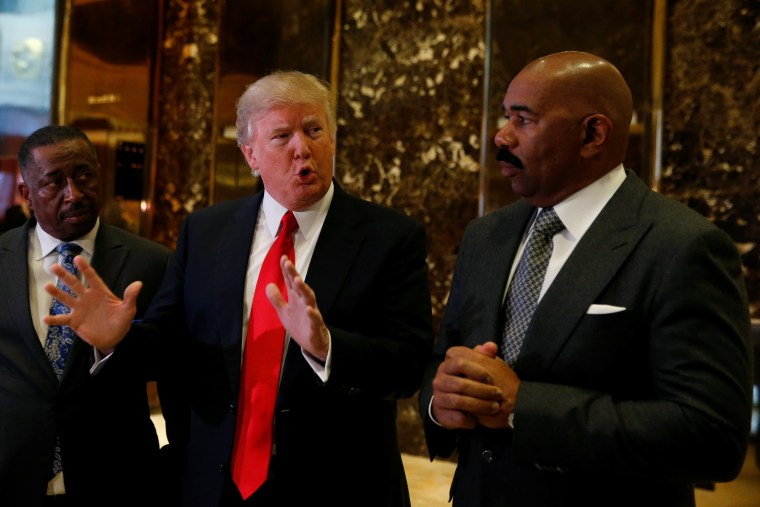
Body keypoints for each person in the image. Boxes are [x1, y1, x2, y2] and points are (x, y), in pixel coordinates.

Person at [45, 71, 434, 507]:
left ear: (333, 140)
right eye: (282, 136)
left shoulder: (390, 237)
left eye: (314, 130)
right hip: (216, 483)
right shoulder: (206, 231)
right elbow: (171, 343)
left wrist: (328, 347)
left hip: (338, 484)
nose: (302, 148)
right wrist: (121, 339)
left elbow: (409, 362)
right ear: (250, 154)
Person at [419, 51, 753, 507]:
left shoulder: (682, 246)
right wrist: (442, 405)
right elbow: (443, 362)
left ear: (593, 134)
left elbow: (712, 437)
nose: (501, 136)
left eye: (524, 120)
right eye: (505, 117)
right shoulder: (486, 236)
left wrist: (525, 408)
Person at [0, 125, 173, 506]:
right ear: (26, 194)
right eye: (53, 183)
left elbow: (176, 367)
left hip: (114, 478)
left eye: (84, 176)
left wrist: (113, 347)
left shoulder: (152, 261)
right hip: (11, 474)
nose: (74, 194)